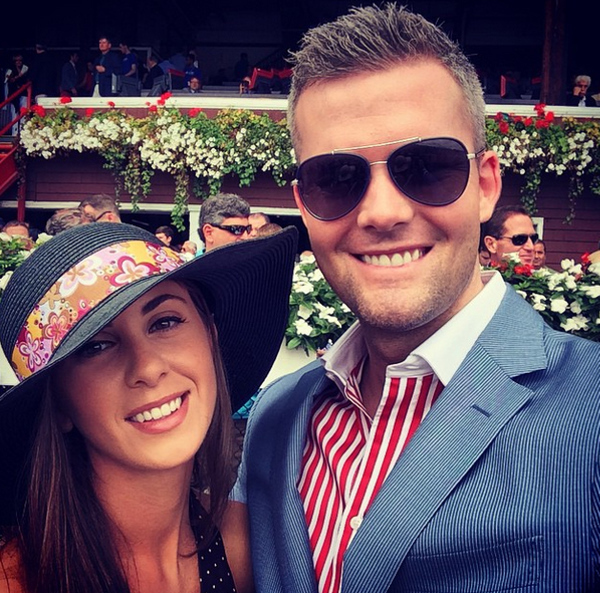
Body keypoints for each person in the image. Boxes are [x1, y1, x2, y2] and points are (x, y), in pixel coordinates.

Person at [233, 5, 600, 592]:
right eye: (337, 178)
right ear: (304, 205)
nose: (382, 213)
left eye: (427, 167)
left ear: (485, 186)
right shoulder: (276, 416)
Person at [0, 222, 298, 593]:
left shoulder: (249, 545)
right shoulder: (17, 580)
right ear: (58, 404)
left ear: (211, 337)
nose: (148, 368)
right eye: (96, 346)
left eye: (164, 322)